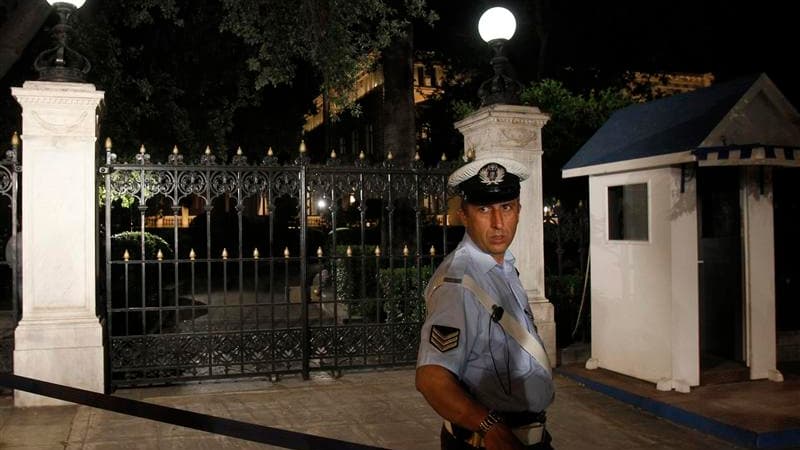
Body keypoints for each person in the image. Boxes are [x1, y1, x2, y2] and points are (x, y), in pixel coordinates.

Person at [416, 157, 554, 450]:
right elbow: (432, 379)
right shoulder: (458, 283)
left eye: (506, 207)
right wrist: (491, 428)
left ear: (518, 210)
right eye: (483, 209)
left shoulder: (503, 268)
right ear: (464, 216)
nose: (498, 223)